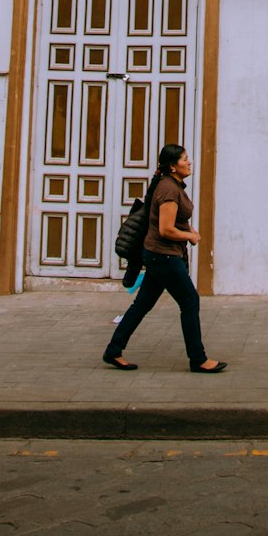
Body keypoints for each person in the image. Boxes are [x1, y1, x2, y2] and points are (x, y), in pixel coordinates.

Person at [103, 143, 227, 374]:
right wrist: (190, 235)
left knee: (142, 305)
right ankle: (198, 359)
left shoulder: (172, 185)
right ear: (172, 166)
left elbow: (176, 219)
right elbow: (166, 229)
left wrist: (188, 229)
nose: (189, 162)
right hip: (163, 255)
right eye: (184, 159)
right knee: (190, 301)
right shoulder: (169, 189)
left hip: (159, 255)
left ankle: (113, 350)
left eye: (188, 158)